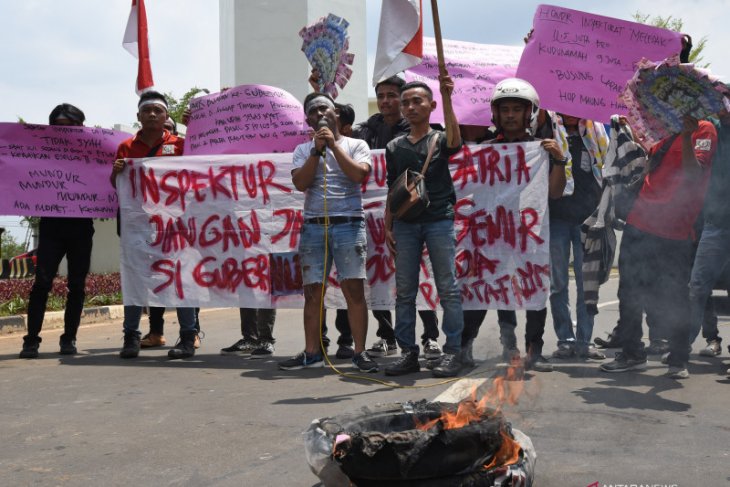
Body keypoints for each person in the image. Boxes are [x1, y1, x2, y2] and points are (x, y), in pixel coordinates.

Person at [600, 115, 717, 379]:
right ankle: (632, 353)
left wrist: (687, 137)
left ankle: (678, 358)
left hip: (675, 229)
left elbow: (694, 173)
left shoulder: (704, 129)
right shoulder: (663, 127)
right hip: (640, 221)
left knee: (675, 296)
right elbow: (651, 166)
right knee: (629, 291)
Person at [278, 92, 378, 372]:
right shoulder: (302, 150)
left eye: (325, 108)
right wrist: (316, 151)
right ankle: (312, 353)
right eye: (313, 110)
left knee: (353, 290)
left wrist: (334, 147)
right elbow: (300, 183)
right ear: (308, 119)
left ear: (336, 114)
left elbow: (359, 175)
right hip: (314, 227)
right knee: (312, 293)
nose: (320, 112)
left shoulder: (356, 144)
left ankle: (360, 352)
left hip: (348, 224)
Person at [478, 79, 568, 373]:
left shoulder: (542, 149)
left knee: (535, 289)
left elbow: (555, 193)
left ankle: (535, 350)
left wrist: (558, 161)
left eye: (518, 109)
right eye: (505, 109)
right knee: (504, 289)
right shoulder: (485, 150)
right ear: (495, 113)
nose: (511, 115)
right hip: (498, 231)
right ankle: (509, 346)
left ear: (530, 112)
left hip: (532, 233)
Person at [354, 75, 443, 361]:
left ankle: (430, 337)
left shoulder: (420, 130)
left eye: (392, 95)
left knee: (422, 279)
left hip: (417, 215)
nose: (386, 102)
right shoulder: (368, 130)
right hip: (378, 215)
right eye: (381, 96)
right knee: (378, 273)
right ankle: (386, 336)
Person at [383, 76, 464, 378]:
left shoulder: (441, 139)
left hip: (439, 220)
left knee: (448, 288)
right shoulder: (393, 146)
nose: (410, 106)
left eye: (417, 101)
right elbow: (394, 188)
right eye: (405, 102)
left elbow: (456, 142)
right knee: (404, 291)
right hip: (405, 225)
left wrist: (448, 98)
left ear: (431, 106)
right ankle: (408, 353)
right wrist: (388, 225)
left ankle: (453, 352)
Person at [110, 90, 199, 360]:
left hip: (175, 226)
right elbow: (118, 187)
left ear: (166, 116)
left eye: (157, 110)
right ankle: (131, 336)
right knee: (135, 278)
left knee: (181, 278)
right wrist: (116, 173)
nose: (151, 114)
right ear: (138, 116)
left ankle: (187, 337)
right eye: (146, 110)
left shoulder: (183, 145)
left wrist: (196, 128)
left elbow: (202, 166)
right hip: (138, 226)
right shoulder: (126, 148)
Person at [19, 104, 94, 359]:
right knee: (41, 283)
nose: (65, 132)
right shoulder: (40, 152)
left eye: (70, 127)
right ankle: (31, 340)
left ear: (81, 128)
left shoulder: (93, 153)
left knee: (77, 285)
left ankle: (69, 339)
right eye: (59, 127)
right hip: (51, 225)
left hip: (81, 226)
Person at [549, 113, 608, 361]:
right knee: (558, 284)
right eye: (563, 107)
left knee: (587, 286)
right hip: (557, 219)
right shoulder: (550, 135)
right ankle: (565, 340)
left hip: (588, 220)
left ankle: (584, 342)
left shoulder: (597, 136)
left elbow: (609, 167)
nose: (570, 113)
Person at [688, 94, 730, 363]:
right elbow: (697, 167)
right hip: (712, 222)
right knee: (698, 286)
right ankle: (685, 348)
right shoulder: (710, 128)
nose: (722, 108)